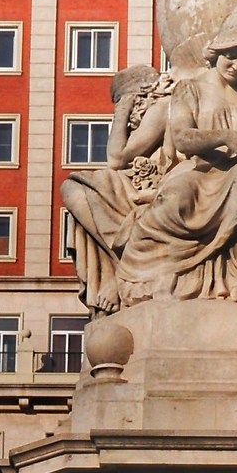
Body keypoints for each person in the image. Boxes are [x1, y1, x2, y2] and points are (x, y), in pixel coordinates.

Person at [115, 9, 237, 302]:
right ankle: (144, 274)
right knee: (174, 199)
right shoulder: (191, 88)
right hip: (199, 171)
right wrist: (225, 136)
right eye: (230, 56)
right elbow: (182, 138)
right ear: (216, 53)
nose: (236, 65)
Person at [60, 67, 172, 311]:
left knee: (76, 188)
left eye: (121, 101)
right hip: (140, 182)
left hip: (160, 187)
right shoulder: (151, 112)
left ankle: (122, 273)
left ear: (137, 97)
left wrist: (121, 113)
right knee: (76, 190)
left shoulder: (161, 108)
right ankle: (120, 267)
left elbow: (116, 158)